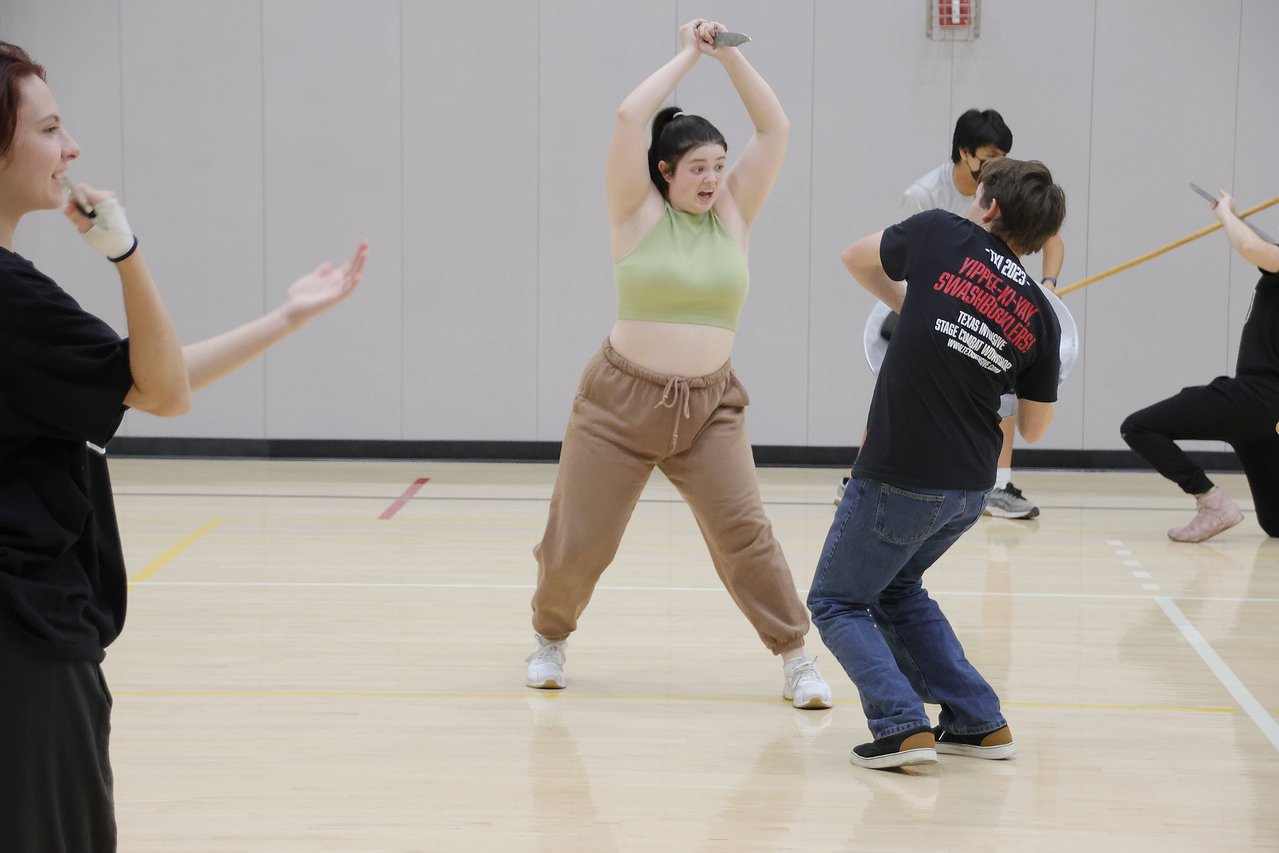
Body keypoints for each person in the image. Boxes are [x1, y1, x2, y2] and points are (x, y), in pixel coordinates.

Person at [0, 42, 368, 850]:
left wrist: (287, 317)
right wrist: (128, 257)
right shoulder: (13, 298)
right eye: (52, 128)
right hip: (26, 640)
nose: (72, 149)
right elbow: (159, 389)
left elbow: (147, 379)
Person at [526, 19, 832, 710]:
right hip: (616, 404)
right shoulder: (632, 212)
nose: (712, 178)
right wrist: (686, 57)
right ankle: (549, 637)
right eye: (697, 167)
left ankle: (795, 656)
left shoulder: (732, 216)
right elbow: (630, 115)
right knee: (581, 541)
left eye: (718, 166)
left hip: (708, 408)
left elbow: (775, 128)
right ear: (663, 172)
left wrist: (727, 60)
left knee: (745, 537)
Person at [810, 158, 1065, 769]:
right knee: (898, 590)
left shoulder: (938, 233)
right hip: (970, 489)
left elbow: (854, 256)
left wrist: (913, 300)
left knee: (837, 600)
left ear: (990, 206)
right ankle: (978, 720)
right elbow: (1031, 426)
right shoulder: (1040, 312)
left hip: (901, 470)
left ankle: (900, 724)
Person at [838, 110, 1065, 519]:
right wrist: (913, 306)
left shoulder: (1013, 194)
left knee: (1002, 389)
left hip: (986, 307)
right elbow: (887, 257)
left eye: (1003, 154)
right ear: (965, 153)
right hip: (920, 298)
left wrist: (1047, 285)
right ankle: (864, 469)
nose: (996, 162)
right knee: (900, 377)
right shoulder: (928, 203)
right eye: (990, 154)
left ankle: (999, 483)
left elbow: (1052, 241)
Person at [1121, 190, 1279, 542]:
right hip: (1268, 414)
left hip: (1251, 397)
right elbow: (1259, 245)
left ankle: (1211, 500)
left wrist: (1224, 213)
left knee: (1139, 427)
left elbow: (1253, 248)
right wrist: (1232, 215)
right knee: (1276, 523)